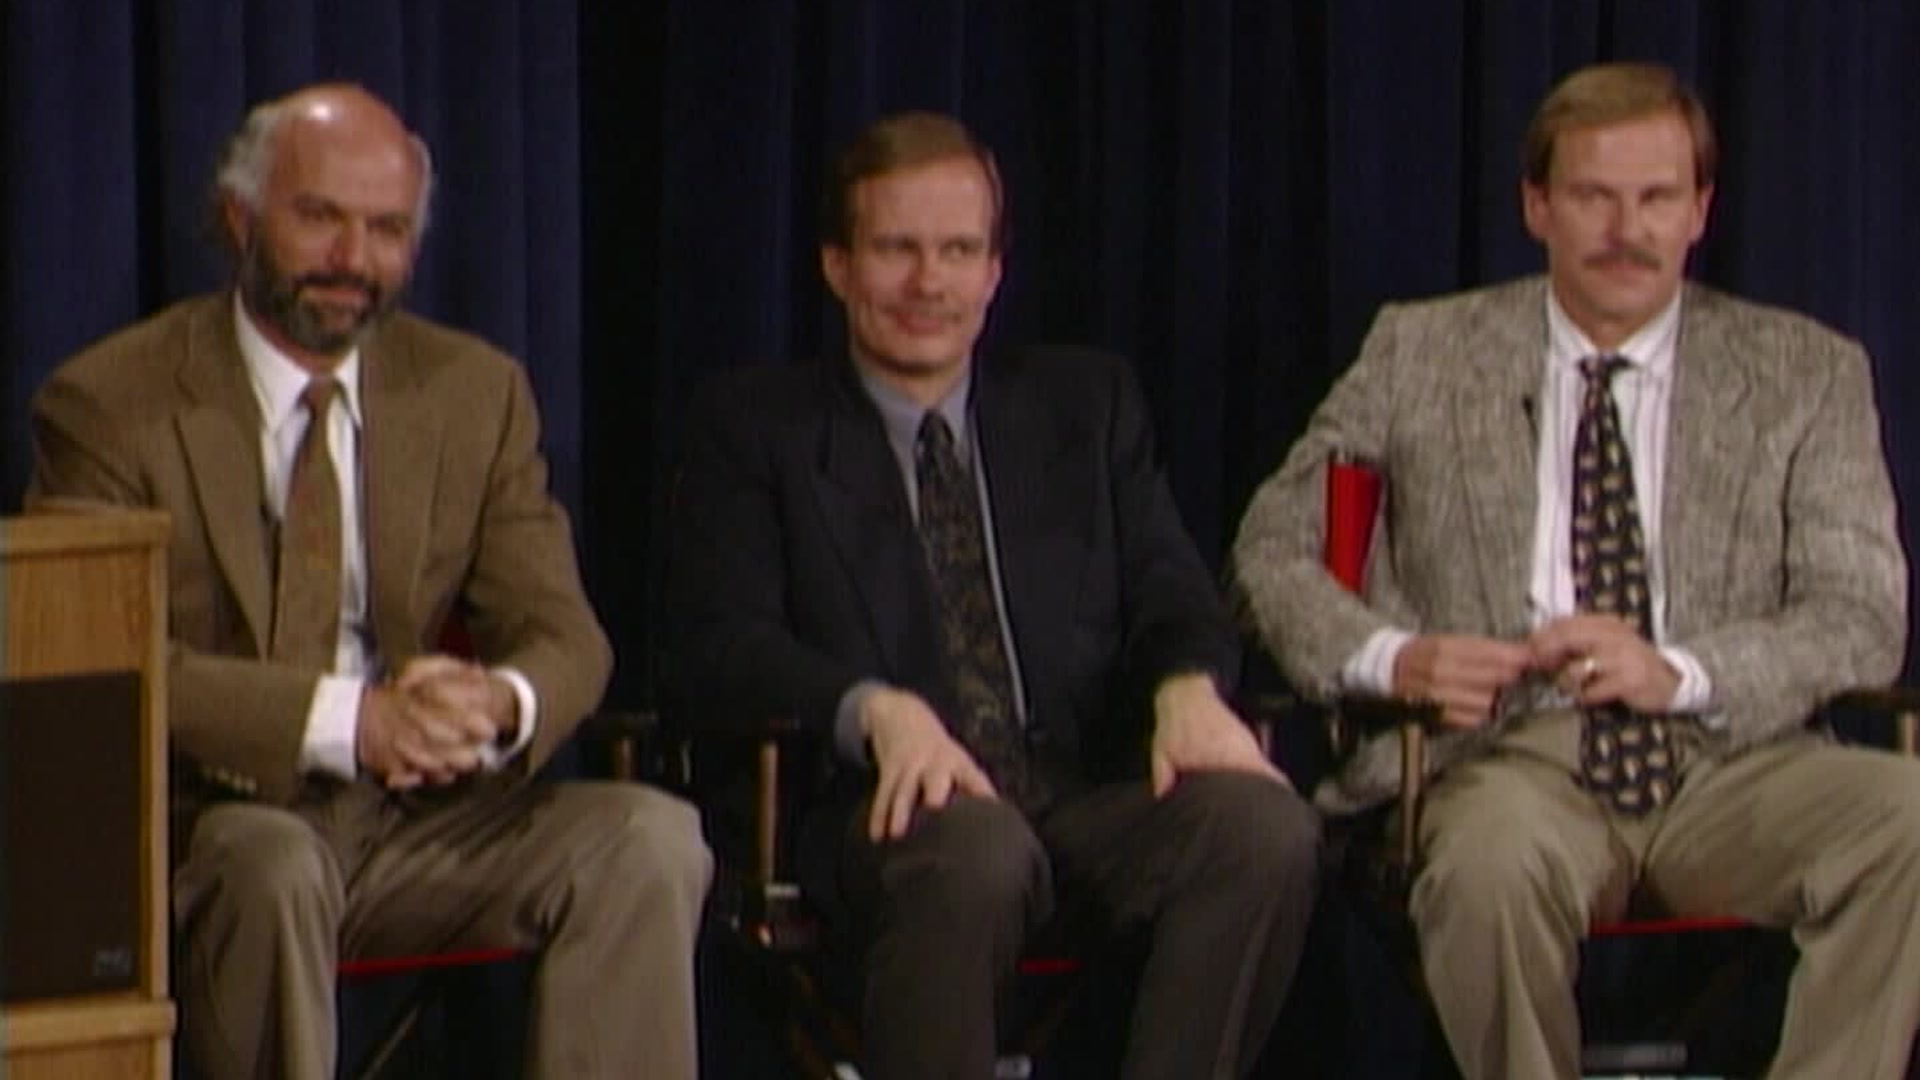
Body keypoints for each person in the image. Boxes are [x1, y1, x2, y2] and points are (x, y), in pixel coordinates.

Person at [1233, 61, 1920, 1079]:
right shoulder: (1421, 352)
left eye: (1657, 198)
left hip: (1730, 760)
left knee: (1909, 820)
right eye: (1595, 196)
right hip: (1510, 760)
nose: (1626, 230)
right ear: (1537, 206)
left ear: (1700, 211)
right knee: (1486, 873)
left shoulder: (1806, 371)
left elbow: (1860, 614)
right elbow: (1269, 551)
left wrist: (1676, 671)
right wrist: (1396, 657)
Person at [28, 84, 710, 1080]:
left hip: (414, 823)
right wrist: (354, 723)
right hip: (208, 823)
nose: (355, 259)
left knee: (651, 840)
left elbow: (565, 633)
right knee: (276, 868)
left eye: (388, 230)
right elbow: (104, 665)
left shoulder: (474, 391)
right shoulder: (108, 402)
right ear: (239, 218)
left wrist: (497, 703)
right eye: (320, 218)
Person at [669, 111, 1319, 1079]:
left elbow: (1175, 593)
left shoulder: (1087, 405)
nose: (929, 283)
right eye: (897, 249)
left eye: (958, 251)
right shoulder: (756, 426)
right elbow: (722, 645)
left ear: (994, 272)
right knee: (975, 851)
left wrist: (1186, 688)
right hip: (877, 816)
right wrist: (877, 712)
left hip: (1074, 797)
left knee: (1264, 830)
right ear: (838, 267)